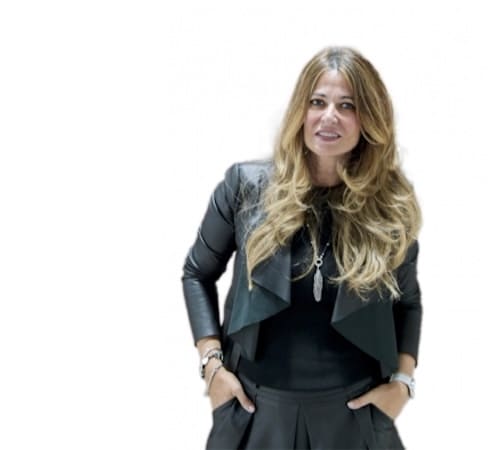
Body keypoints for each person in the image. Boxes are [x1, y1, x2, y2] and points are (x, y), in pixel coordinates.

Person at [181, 46, 422, 450]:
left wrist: (402, 383)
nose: (329, 117)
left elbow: (408, 302)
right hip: (255, 415)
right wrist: (211, 363)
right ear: (301, 111)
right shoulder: (244, 187)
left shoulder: (389, 205)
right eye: (318, 102)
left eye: (347, 105)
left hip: (354, 421)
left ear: (369, 119)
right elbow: (196, 273)